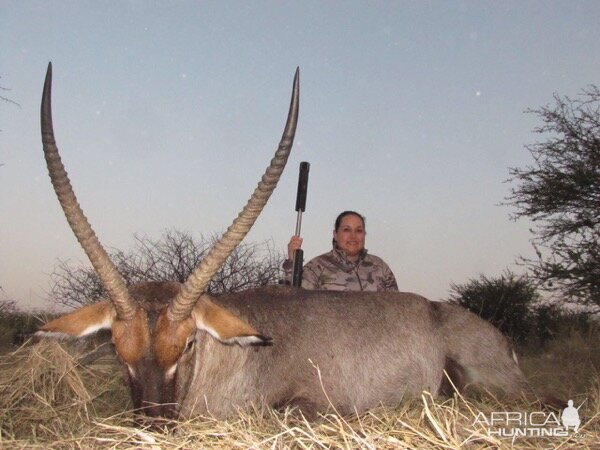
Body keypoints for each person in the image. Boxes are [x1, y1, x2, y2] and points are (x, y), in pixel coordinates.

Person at [282, 210, 399, 291]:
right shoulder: (317, 267)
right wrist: (292, 264)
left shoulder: (380, 267)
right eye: (346, 230)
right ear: (335, 234)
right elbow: (293, 301)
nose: (353, 236)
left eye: (358, 230)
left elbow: (396, 305)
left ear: (364, 234)